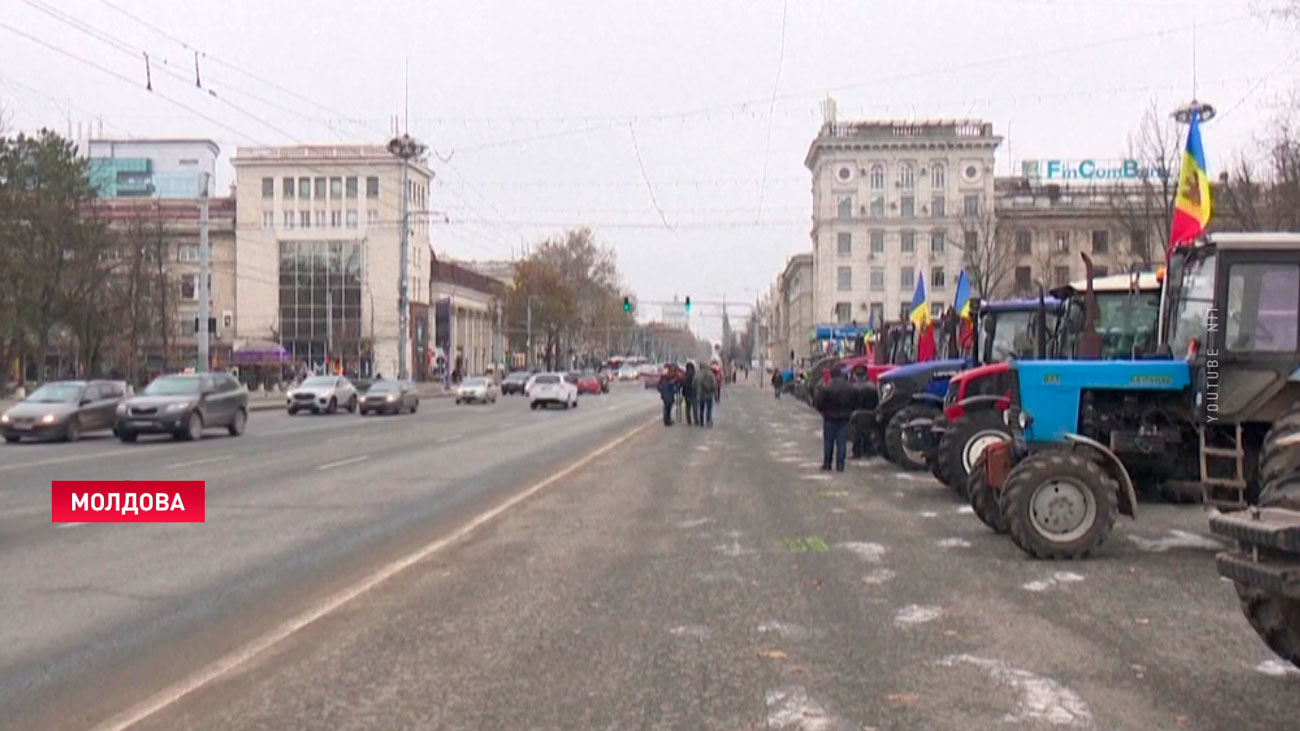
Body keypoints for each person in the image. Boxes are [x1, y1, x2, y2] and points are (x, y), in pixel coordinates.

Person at [813, 368, 857, 471]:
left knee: (828, 442)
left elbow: (819, 403)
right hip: (844, 418)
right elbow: (855, 401)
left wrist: (824, 412)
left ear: (831, 376)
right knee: (842, 443)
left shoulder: (826, 388)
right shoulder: (850, 388)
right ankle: (840, 465)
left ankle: (827, 464)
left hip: (829, 418)